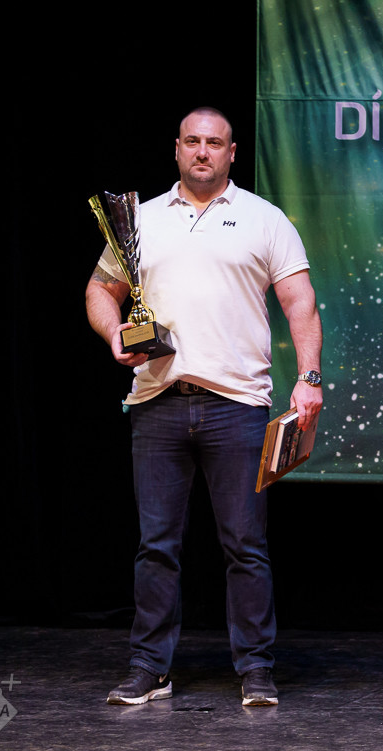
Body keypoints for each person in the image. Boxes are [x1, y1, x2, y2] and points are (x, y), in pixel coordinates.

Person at [85, 106, 323, 707]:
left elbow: (300, 302)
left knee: (245, 545)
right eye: (192, 141)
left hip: (236, 404)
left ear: (231, 153)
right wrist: (114, 333)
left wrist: (309, 377)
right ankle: (149, 668)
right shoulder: (140, 220)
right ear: (176, 148)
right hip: (157, 400)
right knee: (155, 546)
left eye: (214, 142)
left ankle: (256, 669)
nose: (202, 151)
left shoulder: (264, 219)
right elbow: (100, 290)